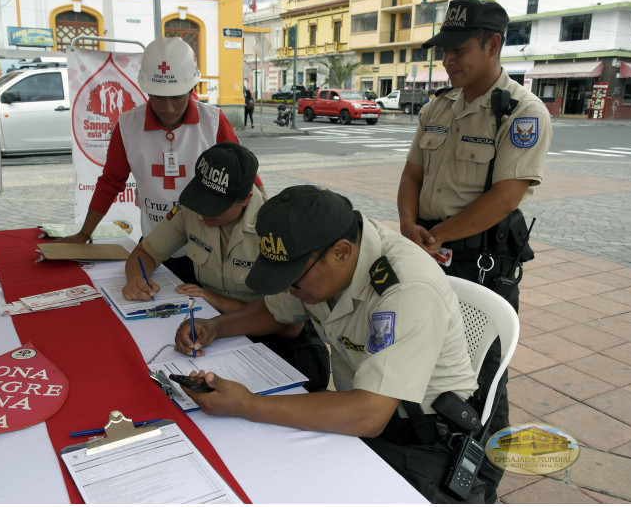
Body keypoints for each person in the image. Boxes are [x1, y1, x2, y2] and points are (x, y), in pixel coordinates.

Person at [173, 185, 482, 503]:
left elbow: (369, 414)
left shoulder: (406, 289)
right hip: (357, 407)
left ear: (341, 253)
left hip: (419, 437)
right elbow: (277, 310)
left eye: (294, 278)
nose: (290, 289)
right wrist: (215, 327)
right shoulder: (318, 254)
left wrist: (247, 404)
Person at [396, 0, 552, 503]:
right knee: (427, 359)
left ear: (493, 45)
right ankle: (432, 458)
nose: (448, 60)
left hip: (479, 260)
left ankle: (481, 485)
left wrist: (436, 236)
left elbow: (505, 197)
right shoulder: (439, 105)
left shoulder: (522, 112)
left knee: (483, 381)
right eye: (443, 51)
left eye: (459, 50)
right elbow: (412, 173)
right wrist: (407, 225)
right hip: (426, 247)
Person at [54, 36, 264, 285]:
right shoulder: (128, 125)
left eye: (177, 97)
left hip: (208, 250)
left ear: (191, 89)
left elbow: (247, 179)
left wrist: (267, 227)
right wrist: (84, 233)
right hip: (155, 246)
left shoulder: (214, 121)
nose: (168, 108)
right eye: (158, 97)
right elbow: (111, 181)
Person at [124, 145, 330, 392]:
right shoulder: (191, 209)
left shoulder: (274, 228)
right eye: (202, 200)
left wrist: (216, 301)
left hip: (269, 341)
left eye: (215, 207)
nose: (204, 213)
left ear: (246, 199)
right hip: (213, 330)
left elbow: (287, 324)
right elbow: (146, 252)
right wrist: (136, 277)